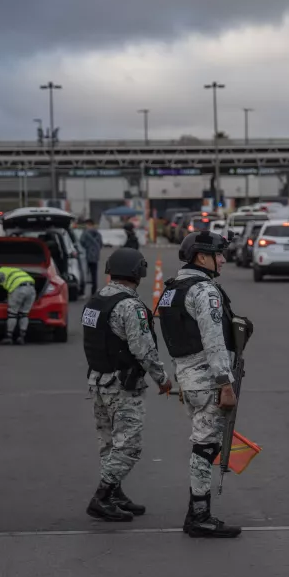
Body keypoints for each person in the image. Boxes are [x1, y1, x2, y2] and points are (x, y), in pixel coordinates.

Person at [156, 231, 248, 538]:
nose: (223, 259)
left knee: (204, 443)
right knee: (206, 447)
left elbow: (174, 338)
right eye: (218, 254)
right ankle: (199, 515)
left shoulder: (171, 289)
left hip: (188, 378)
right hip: (208, 379)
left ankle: (198, 512)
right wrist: (225, 383)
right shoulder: (205, 291)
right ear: (201, 257)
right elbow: (213, 340)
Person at [83, 248, 171, 522]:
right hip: (123, 385)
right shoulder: (129, 307)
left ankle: (115, 495)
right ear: (138, 272)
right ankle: (101, 497)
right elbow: (143, 349)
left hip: (99, 382)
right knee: (129, 446)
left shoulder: (96, 301)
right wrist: (162, 378)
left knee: (109, 443)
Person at [0, 265, 37, 345]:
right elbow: (13, 284)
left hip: (19, 289)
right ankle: (22, 337)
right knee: (24, 314)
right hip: (32, 289)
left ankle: (8, 337)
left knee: (12, 314)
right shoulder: (13, 269)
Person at [80, 220, 103, 289]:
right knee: (94, 273)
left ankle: (82, 290)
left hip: (86, 256)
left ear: (88, 224)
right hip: (95, 256)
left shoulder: (85, 233)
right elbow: (101, 244)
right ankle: (94, 289)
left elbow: (82, 242)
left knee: (84, 273)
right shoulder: (98, 234)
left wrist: (87, 247)